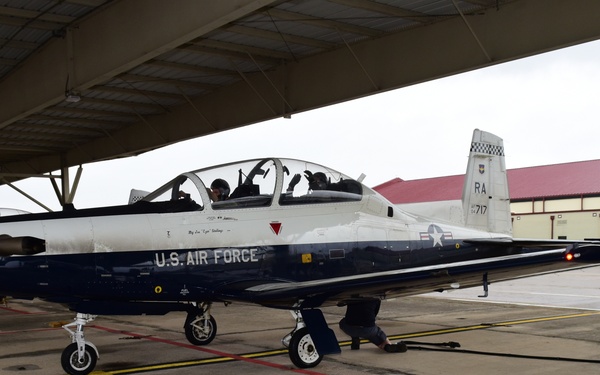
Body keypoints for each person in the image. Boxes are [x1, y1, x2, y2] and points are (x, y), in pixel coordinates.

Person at [339, 299, 407, 353]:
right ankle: (387, 345)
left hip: (349, 328)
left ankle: (355, 337)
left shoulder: (353, 295)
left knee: (344, 322)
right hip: (367, 330)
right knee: (377, 333)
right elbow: (374, 315)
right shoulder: (376, 299)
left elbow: (341, 304)